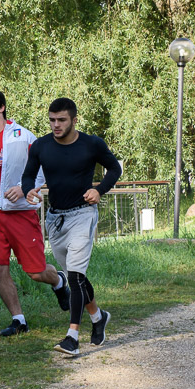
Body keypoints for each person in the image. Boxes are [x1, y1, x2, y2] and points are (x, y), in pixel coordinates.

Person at [20, 97, 122, 357]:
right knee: (77, 278)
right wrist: (27, 189)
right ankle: (98, 318)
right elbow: (28, 174)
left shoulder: (92, 144)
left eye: (62, 120)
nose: (56, 125)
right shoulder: (41, 146)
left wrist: (99, 190)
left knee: (74, 277)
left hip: (82, 215)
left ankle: (72, 337)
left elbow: (114, 169)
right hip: (55, 219)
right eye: (52, 120)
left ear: (74, 120)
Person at [0, 88, 70, 338]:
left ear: (1, 107)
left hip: (20, 213)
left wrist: (23, 188)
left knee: (35, 272)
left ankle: (58, 281)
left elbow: (42, 170)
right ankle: (18, 320)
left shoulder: (22, 136)